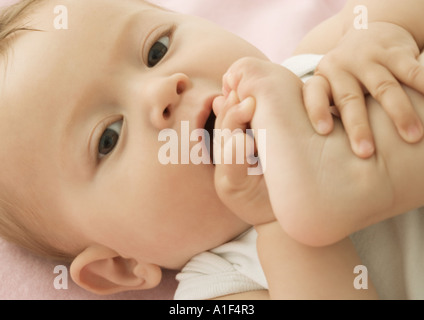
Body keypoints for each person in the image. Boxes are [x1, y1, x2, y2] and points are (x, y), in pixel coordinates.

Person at [0, 0, 423, 299]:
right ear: (122, 266)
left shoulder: (313, 62)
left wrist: (382, 32)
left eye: (156, 50)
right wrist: (281, 225)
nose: (161, 90)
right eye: (108, 137)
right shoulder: (222, 285)